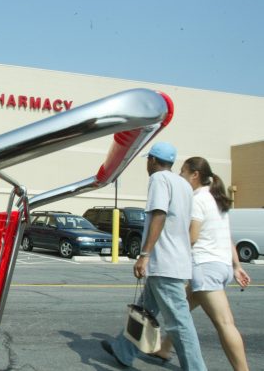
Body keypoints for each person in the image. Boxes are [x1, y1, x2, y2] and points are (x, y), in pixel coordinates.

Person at [101, 142, 207, 370]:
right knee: (145, 310)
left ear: (152, 160)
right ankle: (123, 350)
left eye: (148, 161)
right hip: (176, 260)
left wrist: (144, 254)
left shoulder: (159, 180)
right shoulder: (184, 185)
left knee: (180, 323)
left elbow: (159, 214)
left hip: (164, 263)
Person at [152, 156, 251, 370]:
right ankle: (164, 348)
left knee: (225, 323)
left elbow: (193, 237)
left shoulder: (197, 199)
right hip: (221, 266)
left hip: (206, 268)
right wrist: (236, 266)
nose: (180, 176)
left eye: (183, 172)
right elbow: (227, 237)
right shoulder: (216, 199)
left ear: (194, 175)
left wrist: (172, 254)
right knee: (180, 312)